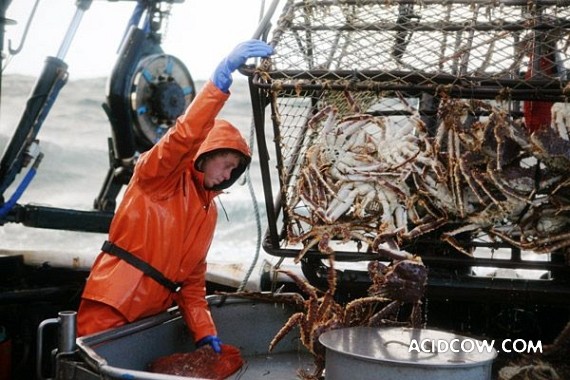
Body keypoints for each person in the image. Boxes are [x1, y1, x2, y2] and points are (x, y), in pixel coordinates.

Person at [76, 39, 274, 353]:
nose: (227, 175)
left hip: (150, 319)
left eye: (234, 170)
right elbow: (185, 135)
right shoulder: (159, 176)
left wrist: (204, 332)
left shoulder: (207, 212)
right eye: (226, 164)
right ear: (208, 153)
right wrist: (218, 84)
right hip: (111, 307)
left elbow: (193, 283)